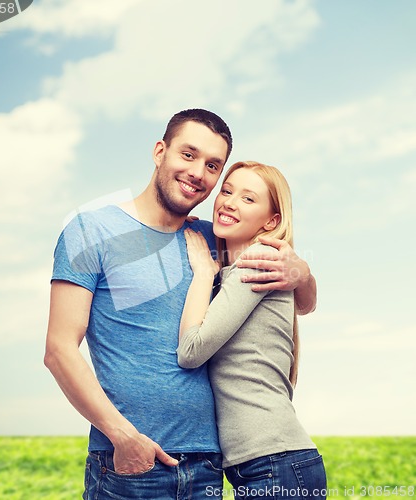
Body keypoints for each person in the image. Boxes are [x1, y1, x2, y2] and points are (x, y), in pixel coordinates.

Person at [44, 110, 317, 500]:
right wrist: (124, 437)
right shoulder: (91, 231)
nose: (198, 173)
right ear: (160, 151)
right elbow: (58, 350)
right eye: (188, 155)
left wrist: (302, 272)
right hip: (132, 462)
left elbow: (299, 304)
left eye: (212, 166)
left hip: (209, 466)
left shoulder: (215, 238)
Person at [176, 161, 327, 499]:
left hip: (275, 463)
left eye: (248, 199)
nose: (229, 202)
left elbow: (190, 352)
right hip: (270, 463)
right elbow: (305, 304)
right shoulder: (240, 268)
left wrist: (202, 271)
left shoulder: (258, 261)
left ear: (271, 221)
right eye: (227, 191)